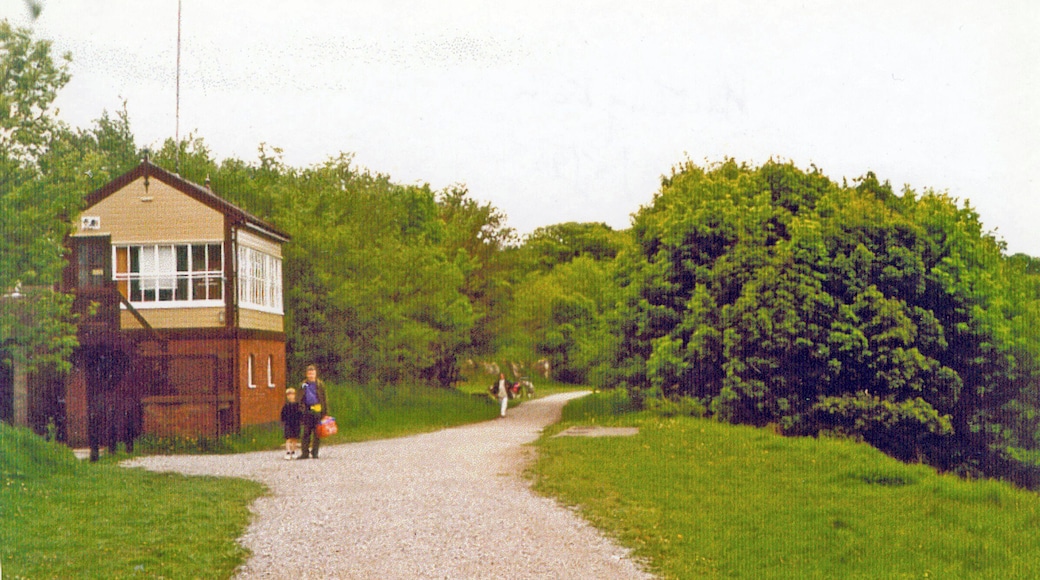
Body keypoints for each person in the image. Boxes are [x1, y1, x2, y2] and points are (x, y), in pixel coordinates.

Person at [299, 365, 329, 459]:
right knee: (306, 433)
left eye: (312, 373)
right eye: (309, 373)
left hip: (318, 410)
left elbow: (324, 398)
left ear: (315, 374)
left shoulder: (320, 384)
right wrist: (300, 409)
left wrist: (325, 413)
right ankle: (305, 453)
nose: (311, 375)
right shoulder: (303, 384)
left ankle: (315, 452)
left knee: (317, 433)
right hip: (307, 410)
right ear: (306, 374)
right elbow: (299, 397)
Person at [280, 387, 303, 460]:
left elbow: (300, 414)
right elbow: (283, 414)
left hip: (296, 423)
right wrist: (283, 421)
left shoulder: (297, 405)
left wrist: (301, 420)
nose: (290, 396)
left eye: (292, 394)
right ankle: (288, 452)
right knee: (288, 438)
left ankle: (293, 451)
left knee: (295, 438)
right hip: (288, 423)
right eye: (289, 395)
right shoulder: (286, 406)